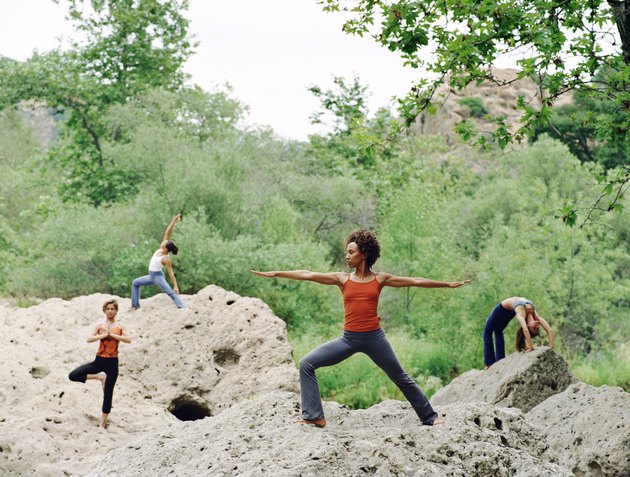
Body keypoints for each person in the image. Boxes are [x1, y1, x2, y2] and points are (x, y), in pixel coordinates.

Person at [252, 230, 470, 428]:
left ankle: (430, 417)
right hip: (348, 340)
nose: (347, 256)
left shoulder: (380, 279)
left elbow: (414, 280)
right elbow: (308, 274)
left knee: (401, 377)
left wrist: (446, 284)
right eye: (346, 252)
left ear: (363, 254)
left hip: (375, 339)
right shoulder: (342, 279)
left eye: (351, 252)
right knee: (307, 363)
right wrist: (277, 273)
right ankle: (314, 416)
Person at [69, 299, 132, 428]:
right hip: (99, 361)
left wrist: (115, 336)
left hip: (113, 362)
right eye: (108, 309)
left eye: (112, 309)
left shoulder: (120, 326)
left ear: (116, 311)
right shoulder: (100, 325)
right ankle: (99, 376)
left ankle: (102, 423)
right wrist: (102, 336)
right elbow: (88, 339)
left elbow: (128, 339)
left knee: (108, 393)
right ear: (104, 310)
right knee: (73, 375)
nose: (110, 311)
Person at [131, 214, 186, 310]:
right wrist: (173, 221)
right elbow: (167, 233)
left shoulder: (165, 259)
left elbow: (171, 273)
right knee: (135, 283)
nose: (162, 242)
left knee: (170, 292)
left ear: (166, 249)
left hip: (158, 276)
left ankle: (182, 307)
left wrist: (176, 286)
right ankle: (135, 305)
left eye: (163, 243)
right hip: (151, 276)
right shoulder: (161, 250)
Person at [483, 297, 554, 369]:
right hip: (504, 308)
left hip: (509, 310)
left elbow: (525, 330)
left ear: (528, 325)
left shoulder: (521, 315)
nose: (537, 326)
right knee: (492, 332)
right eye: (537, 328)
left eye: (534, 329)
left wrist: (550, 348)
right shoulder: (535, 315)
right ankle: (492, 362)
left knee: (492, 332)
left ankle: (494, 362)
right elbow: (549, 330)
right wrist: (551, 346)